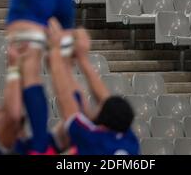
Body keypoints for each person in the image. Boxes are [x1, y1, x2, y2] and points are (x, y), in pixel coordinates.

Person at [47, 19, 140, 155]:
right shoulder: (130, 142)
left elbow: (66, 100)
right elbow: (106, 102)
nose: (95, 107)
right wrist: (82, 59)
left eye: (99, 108)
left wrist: (55, 50)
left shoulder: (93, 140)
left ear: (102, 126)